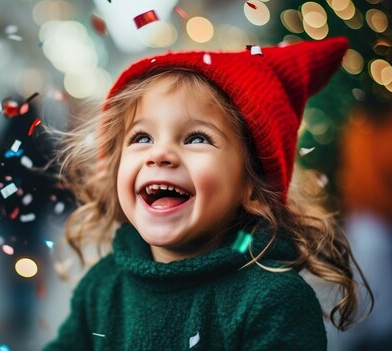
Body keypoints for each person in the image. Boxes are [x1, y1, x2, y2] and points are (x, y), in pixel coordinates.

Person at [44, 37, 372, 350]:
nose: (159, 155)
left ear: (254, 188)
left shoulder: (272, 300)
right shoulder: (103, 286)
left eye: (197, 138)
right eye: (142, 137)